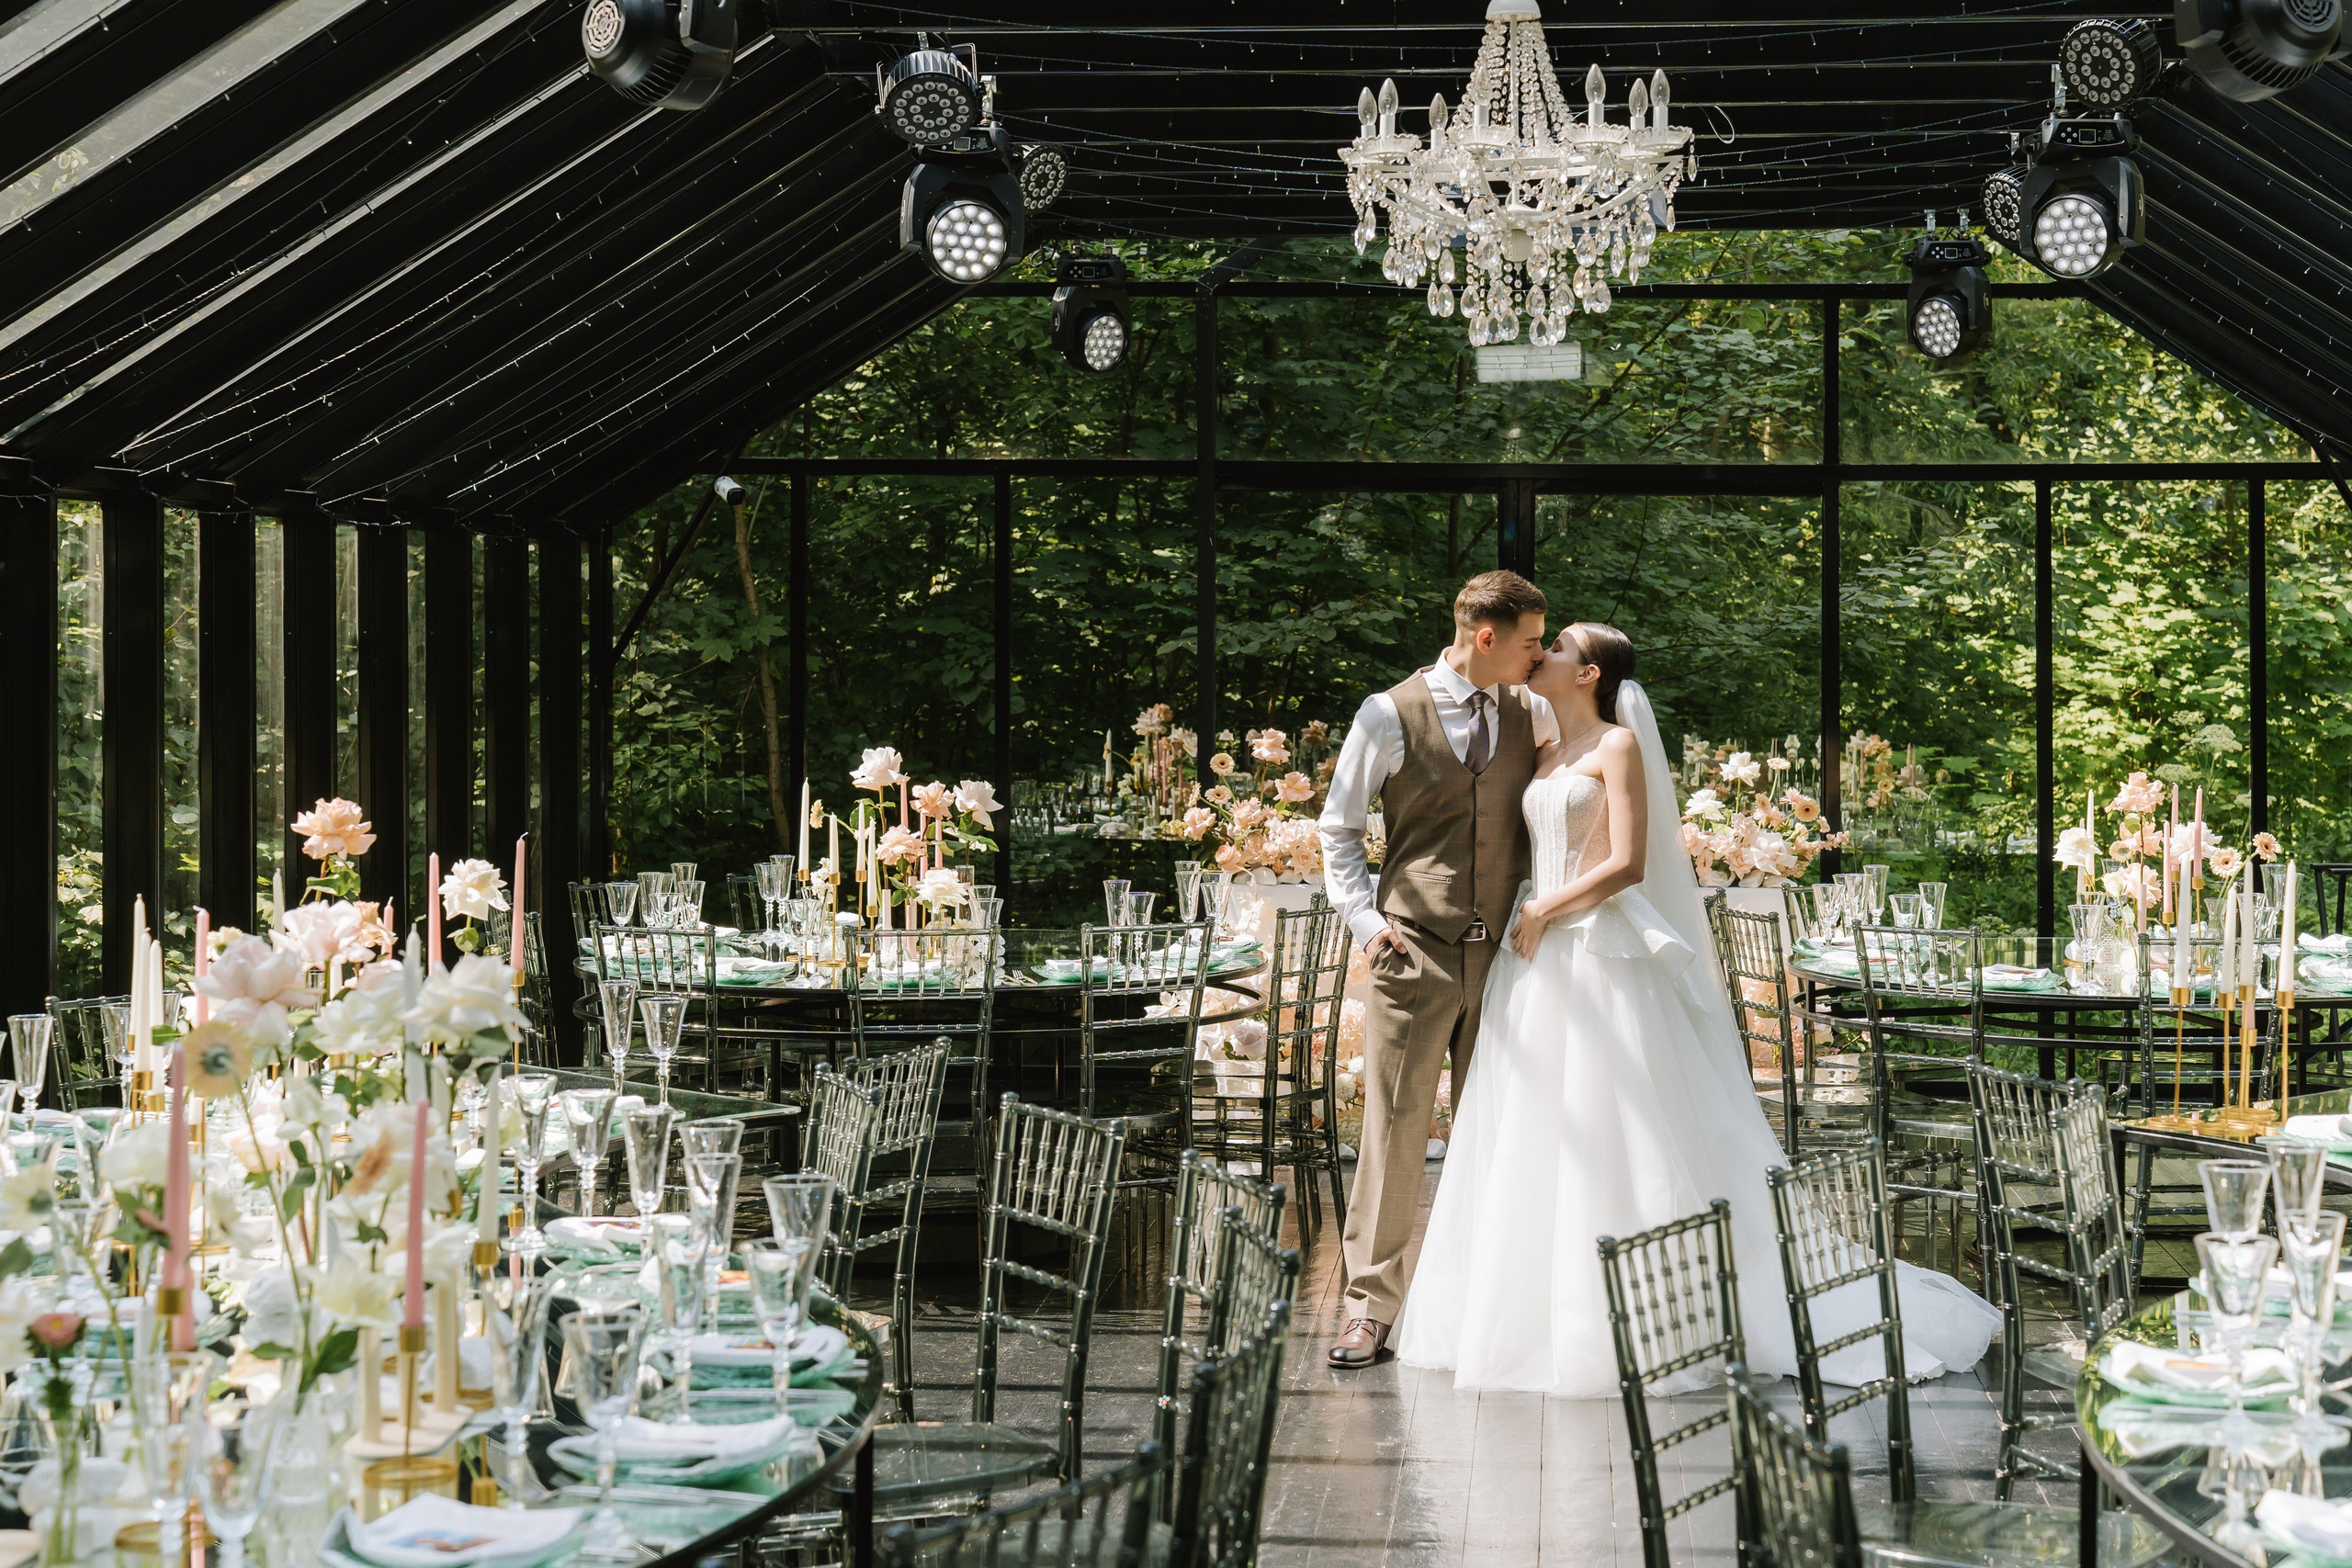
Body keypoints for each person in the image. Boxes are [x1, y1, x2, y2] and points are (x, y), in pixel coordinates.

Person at [1389, 622, 1997, 1394]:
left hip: (1595, 953)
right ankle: (1534, 1311)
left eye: (1560, 649)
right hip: (1534, 963)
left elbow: (1627, 863)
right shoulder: (1542, 750)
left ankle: (1652, 1317)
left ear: (1592, 674)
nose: (1542, 655)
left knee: (1621, 1127)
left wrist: (1545, 909)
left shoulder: (1616, 745)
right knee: (1535, 1129)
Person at [1317, 570, 1559, 1370]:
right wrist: (1366, 922)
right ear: (1485, 638)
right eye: (1530, 641)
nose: (1539, 655)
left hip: (1511, 962)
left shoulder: (1535, 711)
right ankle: (1366, 1309)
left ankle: (1488, 1309)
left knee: (1505, 1130)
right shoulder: (1389, 713)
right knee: (1395, 1131)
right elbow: (1338, 828)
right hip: (1413, 950)